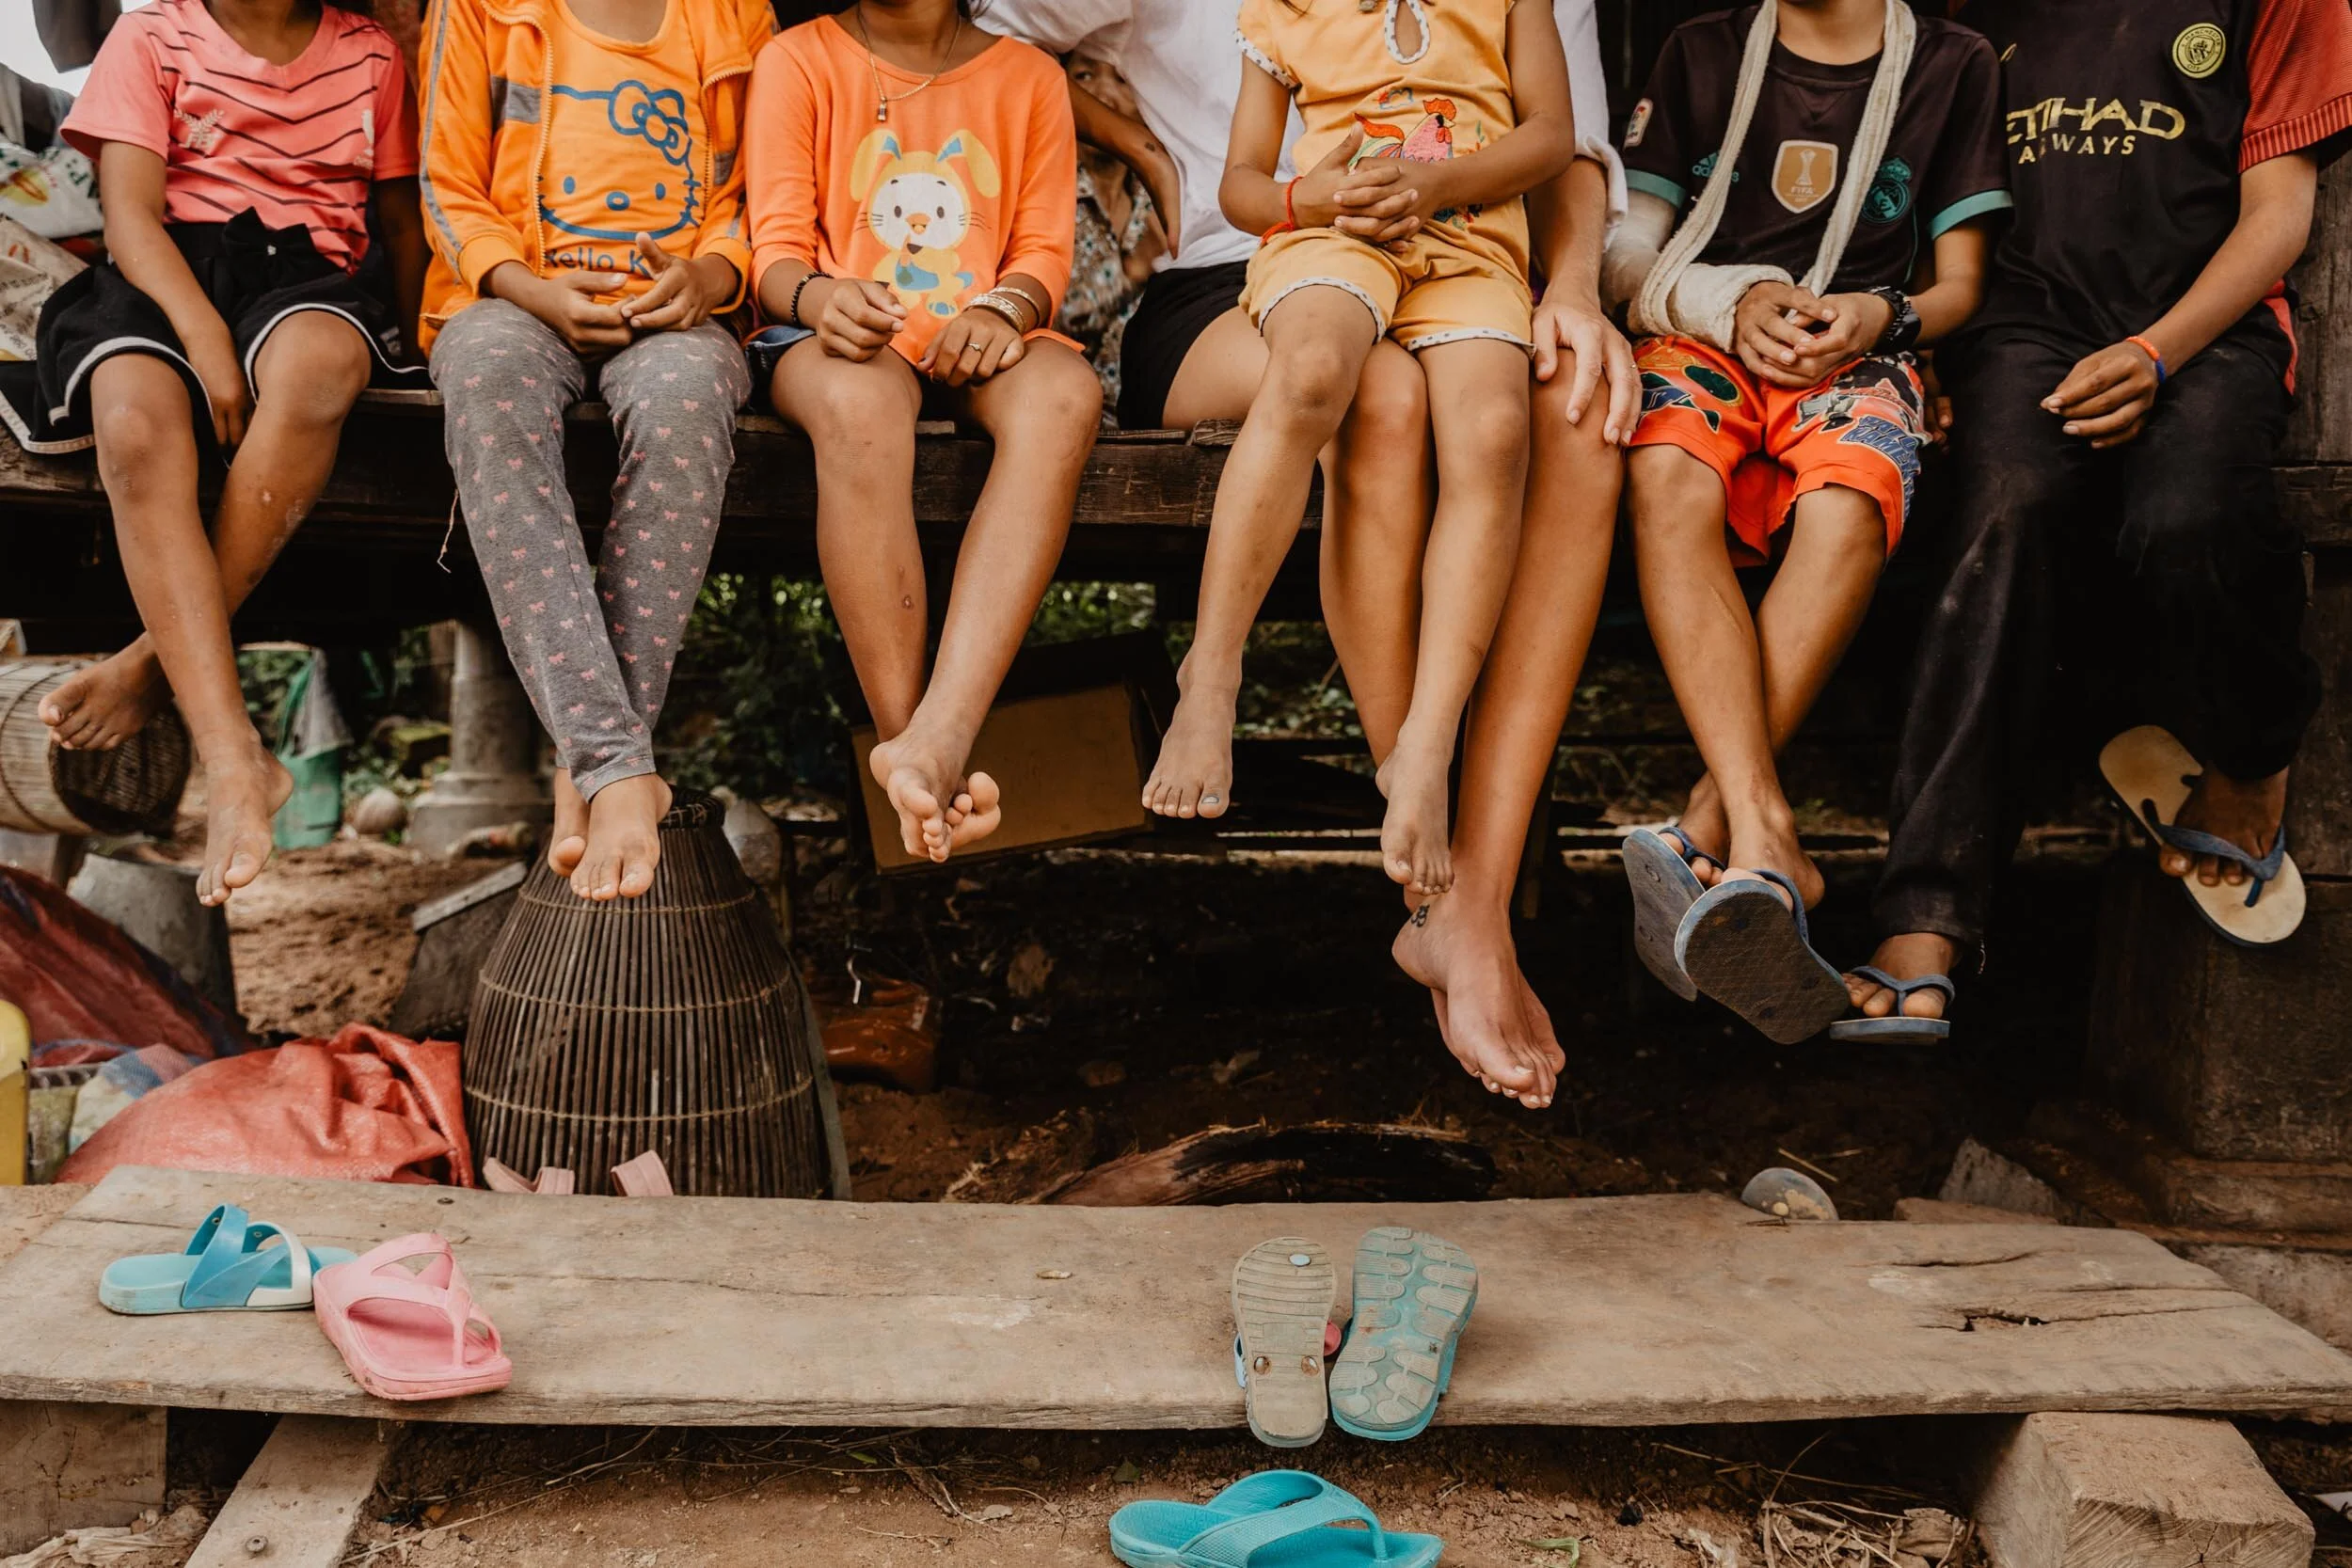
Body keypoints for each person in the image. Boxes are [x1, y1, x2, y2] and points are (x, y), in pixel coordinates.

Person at [1855, 0, 2352, 1015]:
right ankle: (1928, 904)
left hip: (2206, 325)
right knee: (2001, 512)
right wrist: (1935, 355)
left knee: (2188, 510)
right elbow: (1947, 200)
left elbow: (2278, 218)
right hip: (2027, 325)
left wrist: (2155, 351)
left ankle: (2250, 751)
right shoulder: (1978, 10)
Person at [1603, 0, 2009, 1039]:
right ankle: (1765, 827)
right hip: (1703, 332)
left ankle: (1716, 823)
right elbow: (1625, 256)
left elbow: (1961, 284)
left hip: (1859, 348)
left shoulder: (1951, 64)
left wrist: (1882, 315)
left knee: (1849, 499)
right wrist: (1731, 302)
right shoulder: (1699, 52)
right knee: (1665, 473)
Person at [1145, 0, 1578, 906]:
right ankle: (1211, 673)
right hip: (1335, 238)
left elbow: (1551, 136)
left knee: (1496, 432)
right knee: (1311, 371)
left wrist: (1440, 184)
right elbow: (1242, 184)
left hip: (1473, 246)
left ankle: (1426, 740)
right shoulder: (1283, 10)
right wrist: (1305, 199)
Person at [9, 0, 426, 906]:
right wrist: (203, 338)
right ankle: (233, 753)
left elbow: (400, 225)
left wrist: (427, 341)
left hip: (309, 280)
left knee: (318, 369)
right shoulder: (151, 35)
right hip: (163, 274)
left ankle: (152, 661)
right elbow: (129, 218)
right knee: (131, 419)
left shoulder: (370, 55)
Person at [416, 0, 771, 901]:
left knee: (687, 401)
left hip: (675, 316)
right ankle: (616, 764)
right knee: (488, 380)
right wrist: (531, 290)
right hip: (511, 299)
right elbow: (445, 186)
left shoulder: (738, 15)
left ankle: (594, 771)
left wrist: (707, 278)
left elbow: (752, 201)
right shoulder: (479, 7)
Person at [745, 0, 1102, 865]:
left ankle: (942, 731)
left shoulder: (1030, 78)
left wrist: (1002, 309)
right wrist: (821, 299)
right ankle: (912, 750)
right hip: (837, 342)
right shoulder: (798, 59)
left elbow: (1042, 254)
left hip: (982, 334)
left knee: (1065, 396)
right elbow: (775, 253)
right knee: (860, 405)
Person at [1060, 53, 1167, 415]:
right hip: (1069, 411)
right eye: (1084, 75)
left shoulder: (1162, 195)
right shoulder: (1046, 193)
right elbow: (1056, 321)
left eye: (1122, 79)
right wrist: (1136, 269)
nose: (1104, 95)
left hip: (1159, 415)